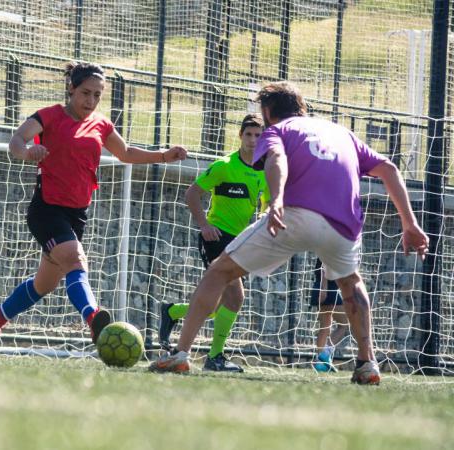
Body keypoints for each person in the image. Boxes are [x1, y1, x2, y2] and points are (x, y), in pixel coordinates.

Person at [150, 81, 428, 385]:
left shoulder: (277, 131)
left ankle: (180, 355)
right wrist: (410, 223)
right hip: (344, 223)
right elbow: (388, 169)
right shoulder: (341, 132)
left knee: (218, 273)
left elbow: (277, 160)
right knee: (351, 284)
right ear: (302, 106)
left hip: (293, 216)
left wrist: (278, 198)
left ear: (267, 111)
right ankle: (367, 363)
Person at [0, 62, 188, 358]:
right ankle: (93, 318)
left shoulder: (101, 124)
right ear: (71, 89)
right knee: (76, 260)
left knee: (43, 285)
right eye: (85, 93)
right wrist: (27, 152)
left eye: (97, 95)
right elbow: (16, 140)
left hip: (77, 215)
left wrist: (164, 156)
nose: (90, 101)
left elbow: (125, 152)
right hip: (46, 210)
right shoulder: (49, 116)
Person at [158, 114, 268, 372]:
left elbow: (269, 203)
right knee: (235, 297)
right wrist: (204, 225)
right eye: (249, 134)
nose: (253, 140)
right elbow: (192, 194)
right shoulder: (224, 165)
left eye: (258, 135)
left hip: (242, 240)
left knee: (220, 306)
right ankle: (214, 357)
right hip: (216, 236)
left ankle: (174, 312)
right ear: (240, 136)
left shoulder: (266, 170)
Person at [309, 257, 349, 372]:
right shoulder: (328, 252)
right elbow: (323, 267)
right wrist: (325, 288)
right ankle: (325, 355)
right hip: (327, 290)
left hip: (323, 289)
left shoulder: (327, 249)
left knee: (325, 327)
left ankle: (320, 362)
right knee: (343, 324)